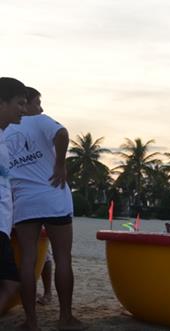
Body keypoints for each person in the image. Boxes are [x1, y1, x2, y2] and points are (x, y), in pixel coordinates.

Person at [4, 87, 84, 331]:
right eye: (37, 102)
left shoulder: (5, 130)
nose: (41, 108)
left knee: (28, 260)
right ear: (26, 103)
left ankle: (31, 321)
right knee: (63, 258)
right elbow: (62, 133)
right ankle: (65, 318)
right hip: (53, 196)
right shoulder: (39, 120)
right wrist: (60, 164)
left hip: (24, 201)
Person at [0, 77, 26, 315]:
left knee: (10, 283)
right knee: (11, 283)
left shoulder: (4, 138)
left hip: (3, 225)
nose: (23, 109)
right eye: (19, 103)